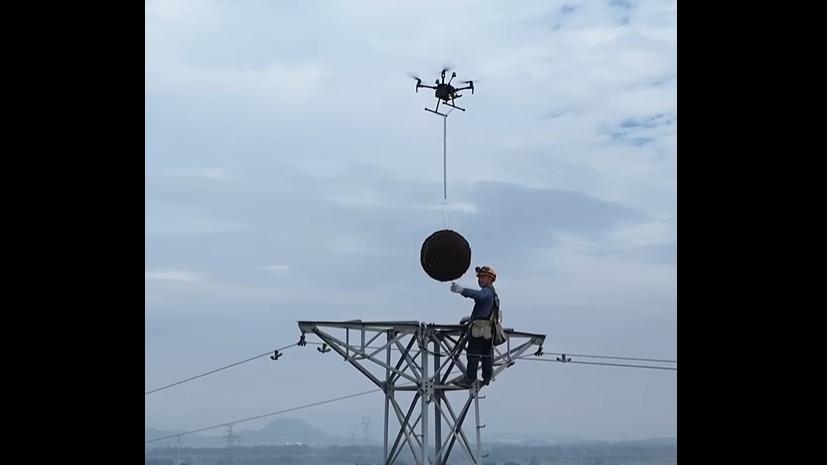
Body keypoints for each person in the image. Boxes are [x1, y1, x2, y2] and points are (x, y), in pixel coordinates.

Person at [450, 265, 499, 388]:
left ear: (490, 279)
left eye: (483, 277)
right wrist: (471, 318)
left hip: (480, 330)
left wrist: (462, 290)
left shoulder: (487, 292)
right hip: (488, 331)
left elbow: (478, 295)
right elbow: (486, 312)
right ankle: (487, 377)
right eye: (479, 277)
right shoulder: (494, 295)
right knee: (487, 355)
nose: (480, 280)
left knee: (473, 354)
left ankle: (470, 378)